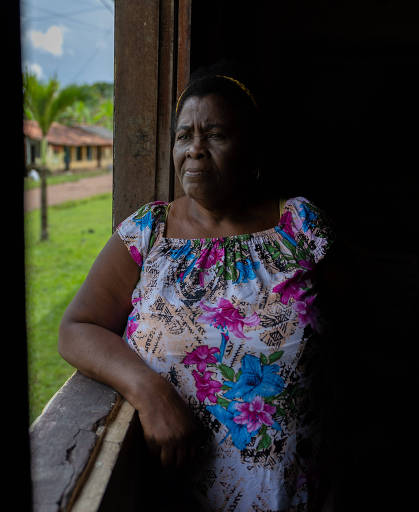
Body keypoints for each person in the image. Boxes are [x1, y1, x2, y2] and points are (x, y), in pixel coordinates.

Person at [58, 62, 338, 511]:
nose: (195, 150)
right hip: (174, 493)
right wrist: (149, 392)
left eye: (216, 135)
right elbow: (76, 327)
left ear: (253, 148)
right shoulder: (148, 232)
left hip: (293, 492)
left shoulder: (302, 227)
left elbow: (360, 344)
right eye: (184, 136)